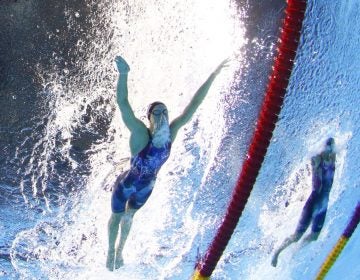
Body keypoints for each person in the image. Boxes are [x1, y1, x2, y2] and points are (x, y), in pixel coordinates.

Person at [106, 55, 228, 271]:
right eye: (157, 112)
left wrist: (214, 74)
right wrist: (123, 74)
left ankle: (120, 251)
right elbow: (123, 104)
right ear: (149, 117)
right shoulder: (140, 133)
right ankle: (110, 251)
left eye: (165, 111)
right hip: (126, 184)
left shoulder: (172, 132)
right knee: (116, 217)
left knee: (129, 217)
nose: (162, 115)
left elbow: (194, 105)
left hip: (146, 188)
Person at [271, 137, 336, 267]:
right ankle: (277, 252)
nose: (330, 154)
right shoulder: (318, 160)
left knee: (314, 236)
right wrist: (317, 161)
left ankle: (296, 251)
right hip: (312, 205)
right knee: (296, 236)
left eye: (331, 151)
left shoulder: (333, 161)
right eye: (328, 151)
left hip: (323, 206)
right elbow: (315, 167)